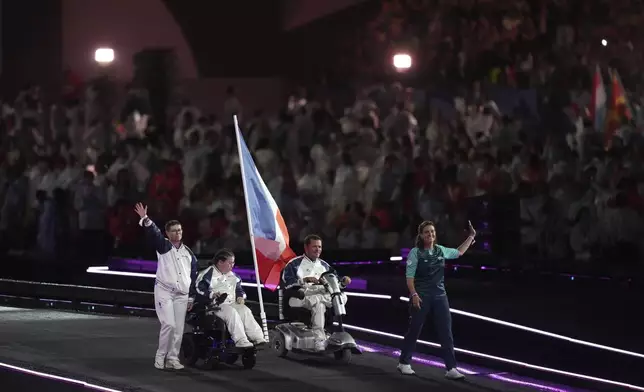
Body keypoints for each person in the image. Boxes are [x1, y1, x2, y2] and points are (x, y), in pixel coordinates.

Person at [397, 220, 476, 380]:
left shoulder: (441, 250)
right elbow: (409, 277)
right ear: (421, 235)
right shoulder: (415, 253)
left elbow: (458, 252)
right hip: (421, 296)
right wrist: (413, 295)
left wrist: (471, 237)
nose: (430, 234)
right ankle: (404, 362)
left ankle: (451, 368)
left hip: (440, 297)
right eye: (427, 232)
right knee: (415, 329)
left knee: (446, 332)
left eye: (432, 231)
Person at [134, 202, 198, 370]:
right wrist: (145, 219)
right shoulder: (164, 246)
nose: (178, 233)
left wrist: (191, 296)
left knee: (179, 328)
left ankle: (173, 358)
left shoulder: (188, 253)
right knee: (168, 324)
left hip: (182, 295)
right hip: (165, 292)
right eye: (174, 230)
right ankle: (160, 356)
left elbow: (193, 276)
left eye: (180, 230)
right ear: (168, 233)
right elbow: (154, 233)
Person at [282, 234, 351, 351]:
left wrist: (343, 283)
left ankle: (324, 336)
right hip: (301, 295)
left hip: (321, 293)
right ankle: (319, 340)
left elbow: (334, 285)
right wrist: (304, 280)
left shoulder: (325, 265)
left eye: (319, 247)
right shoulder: (294, 264)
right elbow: (286, 283)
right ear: (306, 247)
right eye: (315, 247)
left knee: (341, 296)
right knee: (321, 303)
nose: (318, 249)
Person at [194, 248, 266, 347]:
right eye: (230, 263)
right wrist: (211, 295)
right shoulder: (207, 274)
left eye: (233, 263)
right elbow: (199, 289)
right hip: (214, 305)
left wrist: (240, 297)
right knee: (231, 313)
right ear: (220, 262)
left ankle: (258, 338)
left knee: (245, 310)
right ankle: (241, 340)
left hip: (232, 303)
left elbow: (239, 290)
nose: (232, 265)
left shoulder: (234, 276)